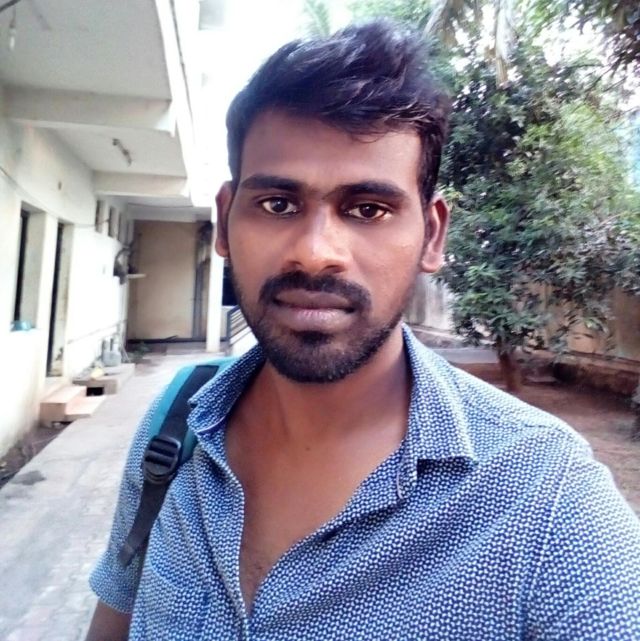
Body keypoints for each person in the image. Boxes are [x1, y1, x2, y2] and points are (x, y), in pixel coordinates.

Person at [85, 20, 640, 641]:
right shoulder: (177, 424)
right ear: (225, 221)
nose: (315, 253)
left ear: (431, 235)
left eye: (368, 209)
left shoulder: (547, 502)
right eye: (277, 204)